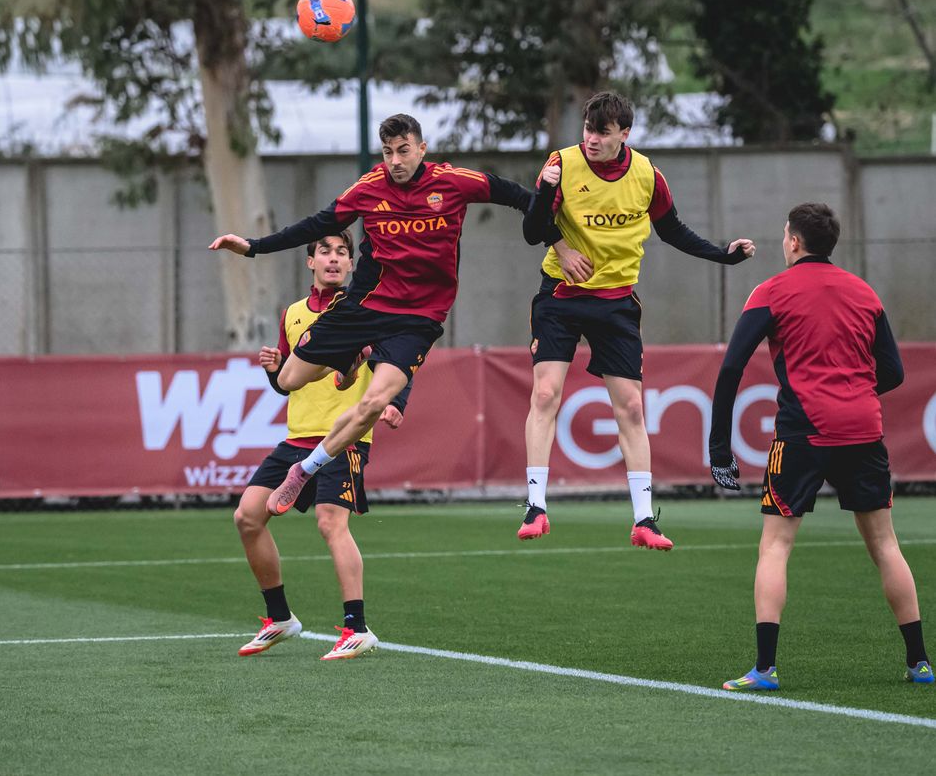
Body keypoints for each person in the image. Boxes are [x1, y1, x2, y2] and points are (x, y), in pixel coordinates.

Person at [211, 113, 536, 515]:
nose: (395, 161)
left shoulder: (453, 182)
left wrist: (558, 236)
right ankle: (351, 358)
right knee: (291, 377)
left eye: (403, 151)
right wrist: (254, 246)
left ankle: (304, 470)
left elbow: (520, 197)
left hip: (419, 318)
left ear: (421, 149)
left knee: (373, 403)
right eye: (387, 152)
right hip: (366, 307)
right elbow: (318, 224)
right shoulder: (369, 188)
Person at [708, 203, 930, 690]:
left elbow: (730, 368)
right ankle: (919, 662)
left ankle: (764, 669)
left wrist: (718, 447)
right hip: (863, 429)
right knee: (886, 545)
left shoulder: (770, 291)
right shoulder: (864, 292)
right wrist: (851, 390)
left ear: (792, 241)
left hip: (802, 428)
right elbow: (892, 372)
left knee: (776, 546)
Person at [519, 91, 756, 549]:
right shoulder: (562, 165)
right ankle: (536, 506)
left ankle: (645, 519)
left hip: (616, 302)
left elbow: (673, 231)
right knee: (545, 392)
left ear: (624, 135)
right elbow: (533, 232)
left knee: (630, 408)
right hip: (561, 296)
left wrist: (721, 254)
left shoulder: (647, 175)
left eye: (602, 133)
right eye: (588, 129)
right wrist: (549, 202)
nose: (591, 139)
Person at [234, 233, 410, 661]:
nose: (334, 259)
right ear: (310, 262)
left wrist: (395, 402)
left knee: (331, 524)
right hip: (296, 438)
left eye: (342, 253)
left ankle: (357, 627)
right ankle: (280, 619)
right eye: (325, 252)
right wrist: (274, 373)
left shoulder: (365, 309)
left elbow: (400, 359)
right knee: (247, 517)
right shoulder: (293, 313)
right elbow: (287, 385)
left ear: (352, 265)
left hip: (343, 438)